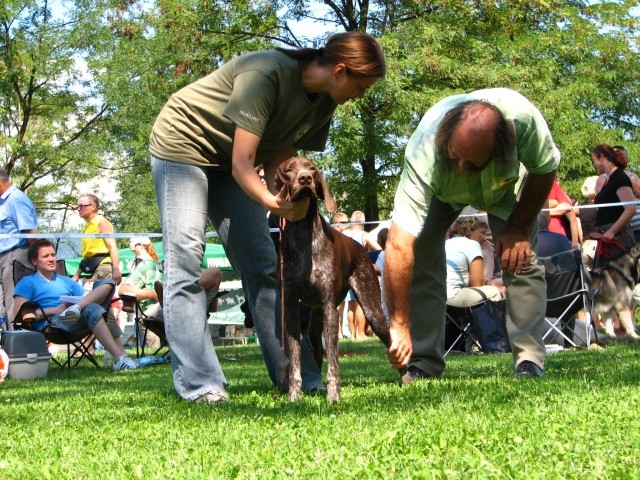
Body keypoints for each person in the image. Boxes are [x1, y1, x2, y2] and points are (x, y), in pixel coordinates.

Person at [148, 32, 386, 403]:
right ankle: (201, 385)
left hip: (230, 164)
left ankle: (298, 375)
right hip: (184, 146)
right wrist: (274, 206)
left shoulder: (324, 101)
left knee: (262, 264)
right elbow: (244, 163)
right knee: (185, 259)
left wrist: (286, 198)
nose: (361, 95)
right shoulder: (266, 73)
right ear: (341, 70)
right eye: (361, 86)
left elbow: (280, 156)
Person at [384, 88, 560, 381]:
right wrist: (400, 324)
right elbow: (399, 246)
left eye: (472, 162)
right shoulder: (424, 152)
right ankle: (423, 364)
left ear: (500, 150)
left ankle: (529, 362)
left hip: (503, 187)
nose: (462, 167)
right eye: (456, 156)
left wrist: (519, 227)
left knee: (521, 259)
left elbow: (544, 168)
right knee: (421, 258)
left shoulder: (523, 120)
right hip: (442, 193)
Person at [13, 239, 137, 370]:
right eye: (45, 256)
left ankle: (77, 307)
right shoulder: (27, 282)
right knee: (93, 308)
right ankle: (120, 358)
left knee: (107, 282)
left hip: (78, 318)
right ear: (34, 261)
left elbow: (87, 298)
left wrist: (77, 305)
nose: (51, 259)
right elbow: (20, 315)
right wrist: (55, 310)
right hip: (53, 325)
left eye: (53, 255)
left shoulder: (67, 281)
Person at [0, 169, 38, 330]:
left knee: (13, 303)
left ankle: (19, 346)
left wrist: (36, 260)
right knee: (2, 306)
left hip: (16, 255)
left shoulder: (16, 199)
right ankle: (8, 345)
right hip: (3, 256)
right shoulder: (3, 202)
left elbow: (31, 233)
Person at [591, 144, 637, 269]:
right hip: (607, 235)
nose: (594, 164)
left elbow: (631, 209)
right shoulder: (609, 179)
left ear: (601, 157)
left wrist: (611, 232)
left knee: (617, 281)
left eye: (594, 160)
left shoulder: (620, 177)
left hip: (617, 237)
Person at [445, 217, 505, 308]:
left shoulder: (445, 243)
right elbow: (476, 283)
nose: (485, 239)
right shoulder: (472, 244)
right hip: (451, 297)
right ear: (469, 230)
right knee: (494, 292)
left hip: (435, 295)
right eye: (482, 233)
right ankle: (491, 321)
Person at [71, 194, 122, 285]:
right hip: (93, 268)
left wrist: (116, 269)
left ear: (93, 207)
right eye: (77, 206)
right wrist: (76, 275)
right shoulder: (87, 227)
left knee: (90, 297)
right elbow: (88, 256)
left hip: (103, 268)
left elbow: (112, 247)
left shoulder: (101, 222)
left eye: (82, 206)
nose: (78, 209)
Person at [546, 177, 580, 249]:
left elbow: (567, 208)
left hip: (557, 237)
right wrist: (553, 203)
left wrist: (574, 244)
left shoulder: (553, 186)